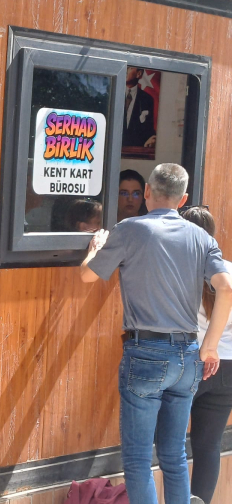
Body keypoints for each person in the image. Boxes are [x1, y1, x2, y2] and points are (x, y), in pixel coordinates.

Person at [80, 163, 232, 504]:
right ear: (184, 199)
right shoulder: (202, 238)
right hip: (188, 355)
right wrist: (209, 347)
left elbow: (88, 276)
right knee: (174, 455)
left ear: (147, 191)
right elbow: (226, 288)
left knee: (137, 459)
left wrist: (95, 249)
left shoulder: (129, 229)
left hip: (146, 353)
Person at [180, 206, 232, 504]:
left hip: (192, 362)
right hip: (229, 366)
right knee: (209, 447)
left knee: (171, 444)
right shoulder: (228, 271)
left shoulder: (180, 272)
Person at [122, 67, 156, 148]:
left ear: (139, 74)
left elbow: (148, 129)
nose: (125, 70)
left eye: (130, 68)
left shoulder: (147, 99)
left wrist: (152, 139)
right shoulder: (114, 93)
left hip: (136, 150)